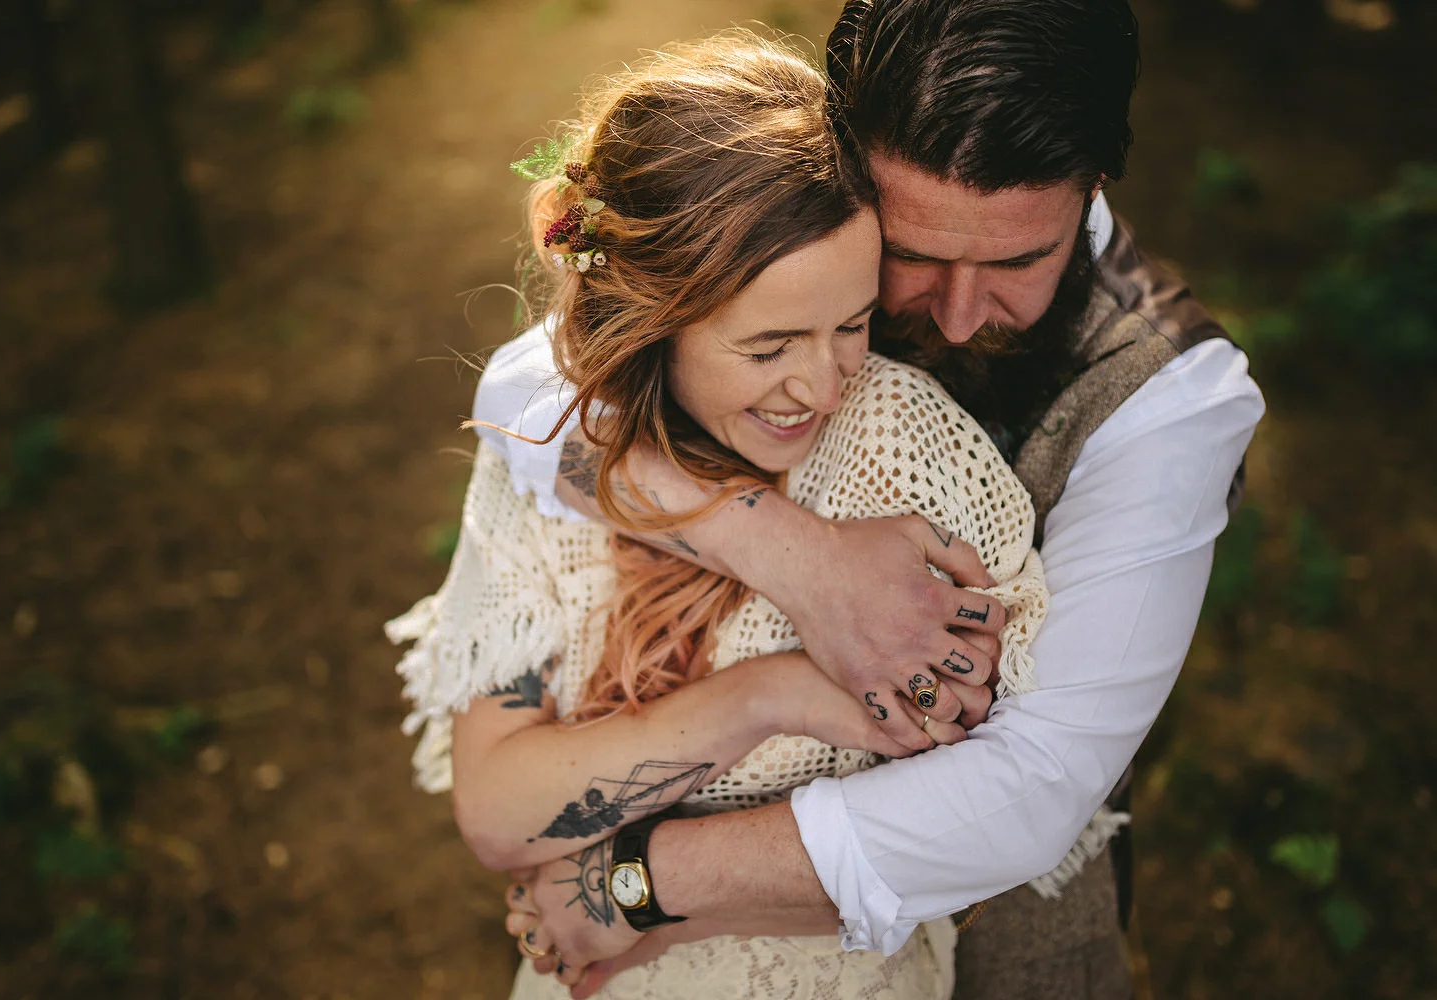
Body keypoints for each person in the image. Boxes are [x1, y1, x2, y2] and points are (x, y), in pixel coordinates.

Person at [481, 2, 1265, 998]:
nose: (960, 314)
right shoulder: (809, 217)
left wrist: (638, 885)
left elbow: (1036, 784)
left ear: (1095, 186)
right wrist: (792, 555)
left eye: (1020, 260)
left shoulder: (1175, 395)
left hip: (1001, 939)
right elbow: (522, 393)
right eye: (915, 253)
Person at [388, 31, 1054, 1000]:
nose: (822, 384)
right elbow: (498, 814)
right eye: (769, 346)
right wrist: (765, 696)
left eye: (853, 324)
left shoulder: (904, 445)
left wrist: (646, 899)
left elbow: (980, 817)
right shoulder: (547, 465)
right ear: (653, 320)